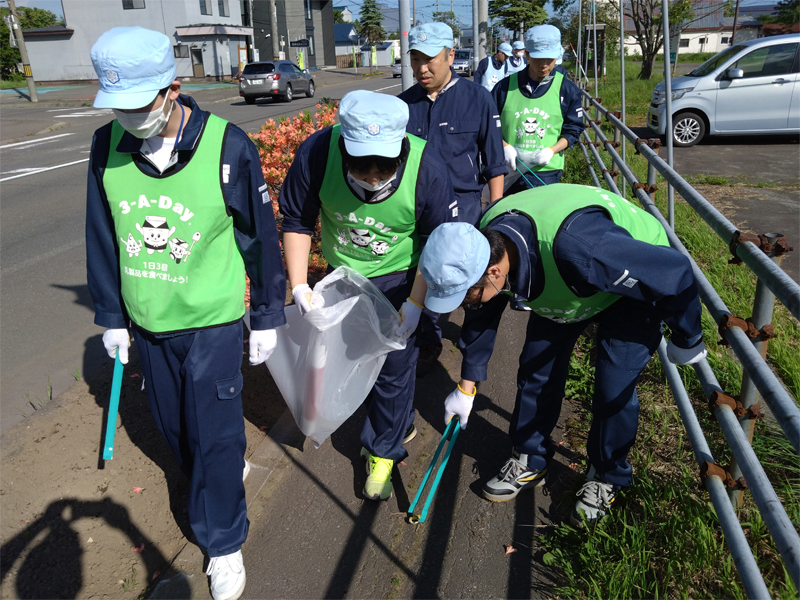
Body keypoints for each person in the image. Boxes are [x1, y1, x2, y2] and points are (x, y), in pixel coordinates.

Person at [86, 27, 286, 600]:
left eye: (138, 103)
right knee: (178, 432)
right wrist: (112, 317)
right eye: (116, 105)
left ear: (173, 89)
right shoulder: (106, 148)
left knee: (216, 436)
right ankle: (221, 476)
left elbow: (259, 236)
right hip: (150, 323)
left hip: (211, 323)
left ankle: (223, 543)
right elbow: (101, 236)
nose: (127, 116)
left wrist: (268, 311)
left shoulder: (226, 146)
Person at [417, 184, 706, 527]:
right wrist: (466, 387)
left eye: (467, 295)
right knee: (536, 369)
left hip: (628, 278)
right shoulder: (482, 245)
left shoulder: (583, 248)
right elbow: (481, 317)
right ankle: (530, 456)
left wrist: (688, 336)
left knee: (614, 386)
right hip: (565, 282)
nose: (467, 304)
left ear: (494, 272)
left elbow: (674, 271)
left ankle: (607, 475)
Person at [278, 90, 456, 501]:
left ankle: (383, 450)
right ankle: (389, 418)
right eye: (361, 166)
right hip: (342, 274)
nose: (374, 177)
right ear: (343, 147)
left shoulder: (427, 168)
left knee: (394, 363)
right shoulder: (318, 153)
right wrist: (301, 284)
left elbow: (437, 241)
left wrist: (414, 303)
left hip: (400, 275)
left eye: (385, 166)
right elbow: (298, 219)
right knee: (348, 351)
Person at [398, 22, 507, 365]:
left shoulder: (477, 98)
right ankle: (427, 338)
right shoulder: (404, 106)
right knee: (420, 272)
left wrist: (497, 209)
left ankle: (473, 352)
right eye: (415, 60)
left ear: (450, 55)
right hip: (418, 208)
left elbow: (494, 160)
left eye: (429, 59)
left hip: (465, 207)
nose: (421, 68)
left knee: (468, 278)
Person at [493, 25, 584, 194]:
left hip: (546, 171)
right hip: (509, 167)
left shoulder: (567, 90)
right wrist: (504, 146)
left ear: (557, 56)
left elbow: (573, 129)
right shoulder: (504, 87)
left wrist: (552, 150)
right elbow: (488, 125)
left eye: (549, 59)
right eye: (537, 58)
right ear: (526, 54)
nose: (544, 65)